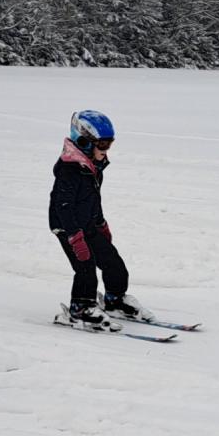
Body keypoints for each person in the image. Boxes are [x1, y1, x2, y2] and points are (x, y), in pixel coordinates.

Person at [50, 109, 149, 327]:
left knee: (113, 262)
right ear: (84, 141)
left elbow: (93, 199)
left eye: (109, 144)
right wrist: (75, 238)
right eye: (102, 145)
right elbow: (63, 207)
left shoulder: (93, 166)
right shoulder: (70, 169)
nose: (107, 150)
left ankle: (115, 300)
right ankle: (80, 308)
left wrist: (101, 223)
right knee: (85, 266)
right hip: (68, 227)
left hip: (87, 223)